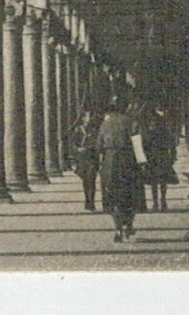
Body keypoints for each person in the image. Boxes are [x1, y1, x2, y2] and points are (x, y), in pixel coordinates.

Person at [97, 97, 143, 242]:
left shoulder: (105, 124)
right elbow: (137, 143)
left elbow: (99, 145)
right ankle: (128, 224)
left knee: (112, 195)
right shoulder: (131, 122)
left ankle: (117, 228)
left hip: (110, 162)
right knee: (131, 193)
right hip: (128, 160)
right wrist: (142, 162)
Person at [142, 105, 177, 211]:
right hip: (159, 158)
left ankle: (159, 201)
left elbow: (172, 145)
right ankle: (159, 201)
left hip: (157, 158)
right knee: (159, 181)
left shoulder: (152, 134)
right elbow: (172, 145)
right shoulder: (163, 133)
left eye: (154, 123)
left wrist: (172, 156)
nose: (152, 125)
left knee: (158, 181)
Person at [67, 108, 101, 212]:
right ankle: (88, 200)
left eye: (91, 116)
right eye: (87, 116)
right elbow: (72, 144)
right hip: (82, 158)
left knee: (91, 180)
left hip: (91, 157)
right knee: (86, 181)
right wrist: (77, 149)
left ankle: (91, 203)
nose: (90, 118)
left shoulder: (95, 130)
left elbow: (98, 142)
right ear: (83, 118)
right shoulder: (78, 130)